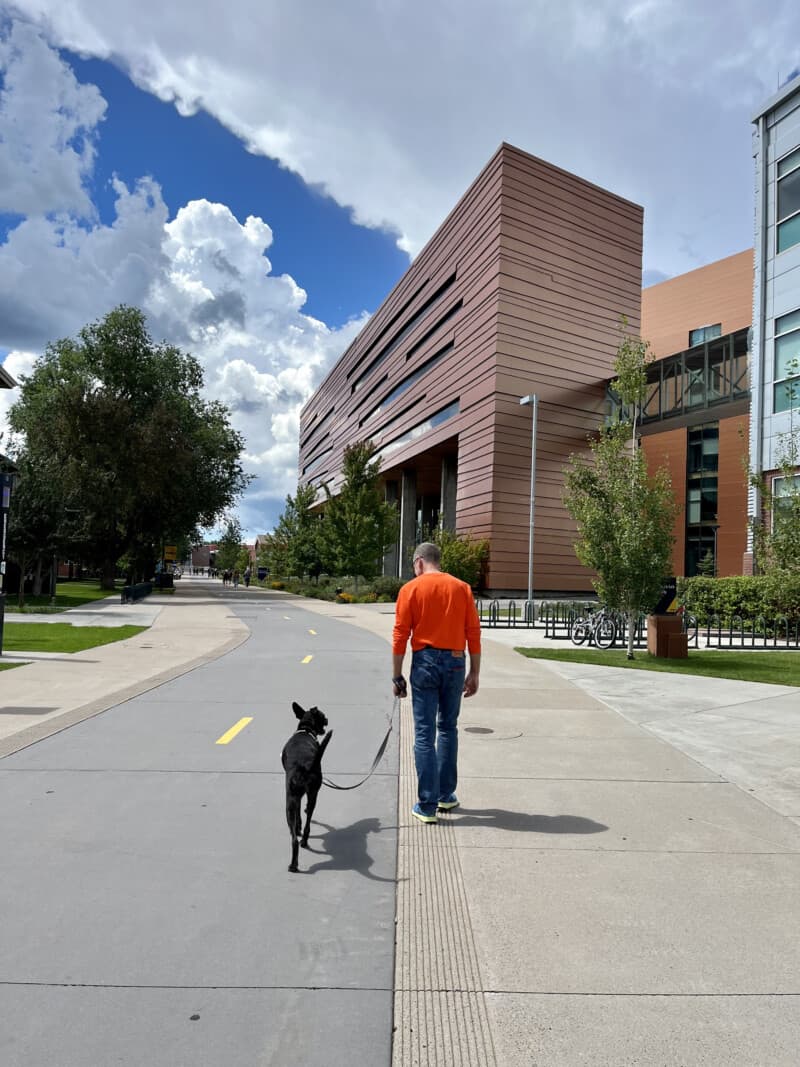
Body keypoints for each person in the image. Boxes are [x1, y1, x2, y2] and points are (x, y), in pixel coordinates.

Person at [392, 541, 481, 824]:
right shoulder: (462, 588)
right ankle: (446, 794)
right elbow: (473, 633)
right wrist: (475, 672)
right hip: (456, 661)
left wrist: (397, 675)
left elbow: (400, 636)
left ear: (419, 562)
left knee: (424, 732)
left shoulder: (411, 589)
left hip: (425, 661)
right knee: (447, 728)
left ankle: (427, 804)